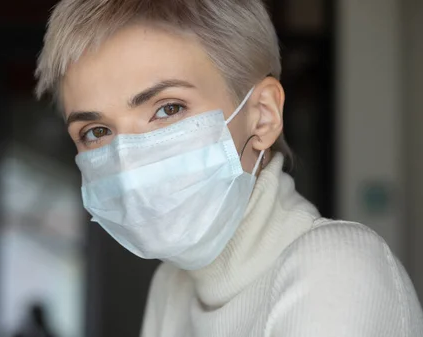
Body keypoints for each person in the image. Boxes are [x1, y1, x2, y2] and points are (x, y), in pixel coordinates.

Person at [34, 0, 423, 336]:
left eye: (168, 108)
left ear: (263, 115)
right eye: (96, 131)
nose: (129, 161)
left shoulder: (336, 267)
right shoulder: (172, 286)